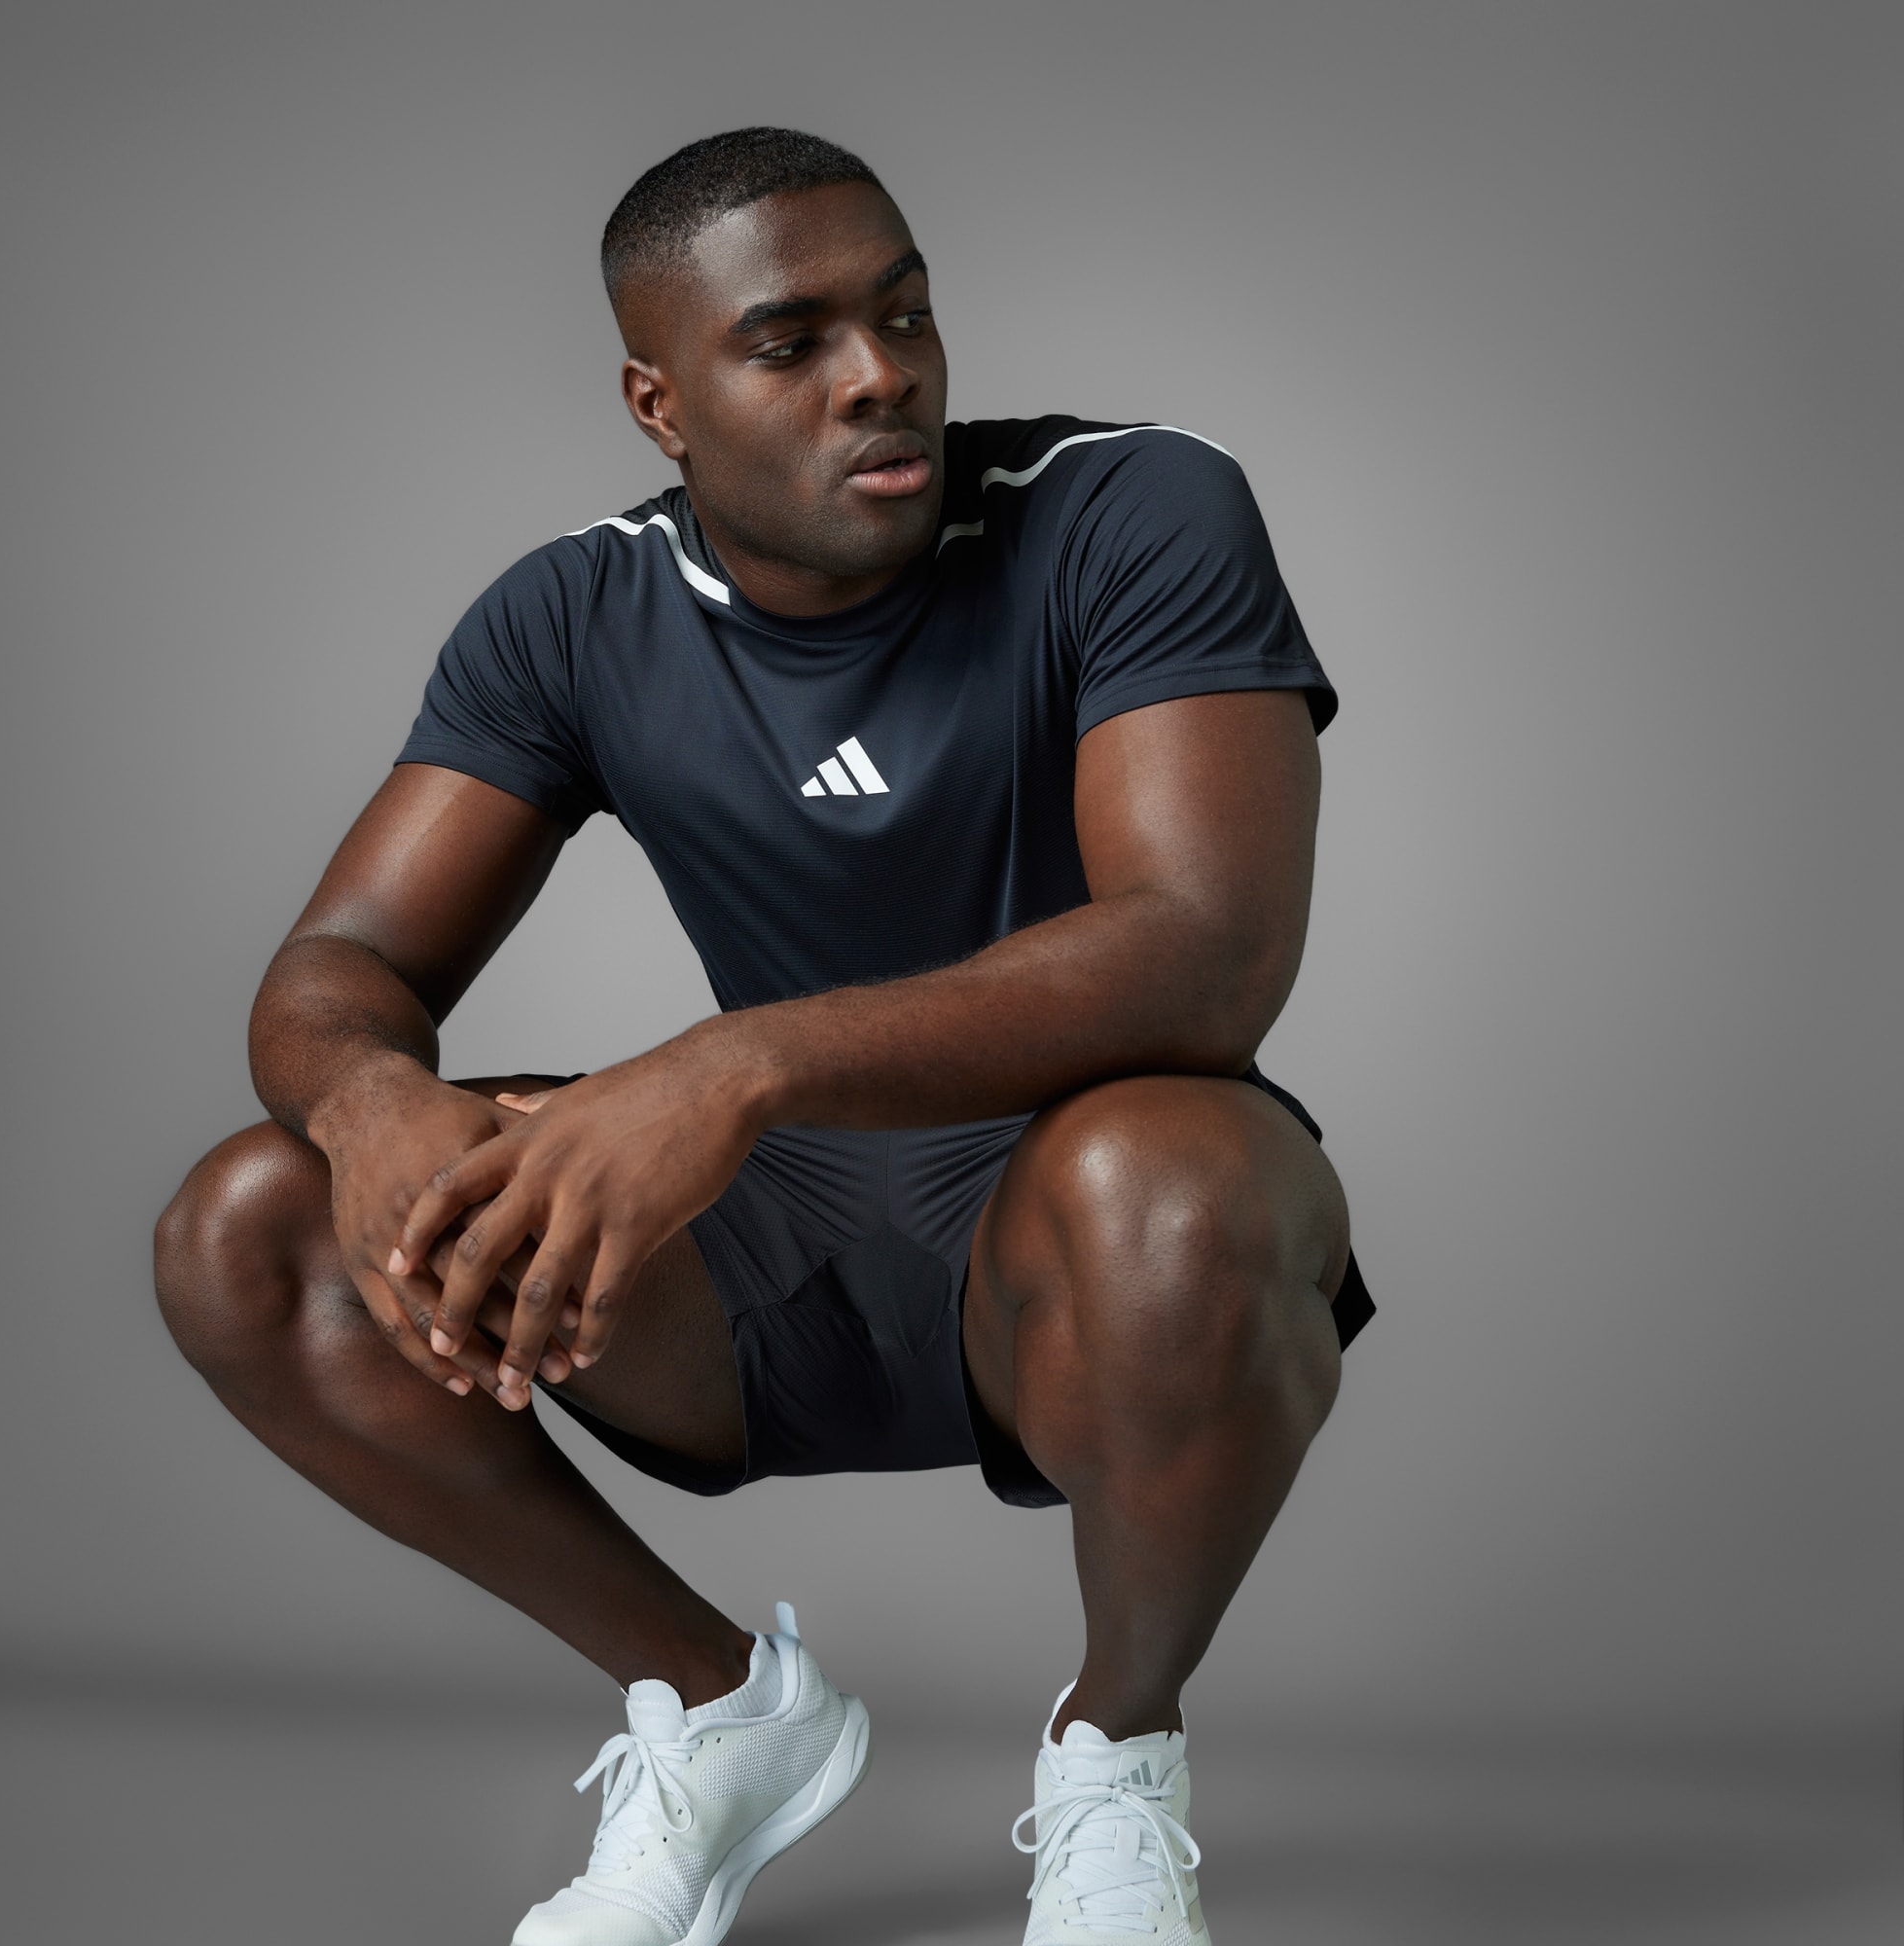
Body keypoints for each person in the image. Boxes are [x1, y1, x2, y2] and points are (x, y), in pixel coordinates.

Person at [154, 126, 1374, 1946]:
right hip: (759, 1257)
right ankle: (726, 1716)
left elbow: (1208, 953)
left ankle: (1115, 1759)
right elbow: (338, 964)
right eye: (791, 344)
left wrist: (736, 1066)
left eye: (906, 314)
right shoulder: (576, 613)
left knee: (1173, 1187)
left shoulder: (1132, 509)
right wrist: (371, 1102)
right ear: (660, 403)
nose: (880, 374)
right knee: (255, 1226)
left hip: (1081, 1230)